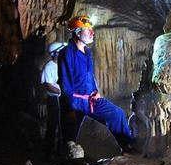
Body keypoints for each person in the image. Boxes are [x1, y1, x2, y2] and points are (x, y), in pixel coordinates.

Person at [57, 15, 136, 151]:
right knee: (69, 138)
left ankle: (128, 147)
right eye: (88, 31)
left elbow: (89, 76)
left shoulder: (87, 52)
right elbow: (66, 82)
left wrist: (96, 90)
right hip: (74, 101)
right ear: (77, 32)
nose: (92, 33)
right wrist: (69, 107)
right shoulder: (67, 53)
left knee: (116, 113)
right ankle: (67, 163)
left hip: (91, 100)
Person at [40, 41, 64, 157]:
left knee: (63, 125)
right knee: (53, 124)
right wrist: (60, 91)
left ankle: (61, 151)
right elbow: (47, 85)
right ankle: (48, 152)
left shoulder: (63, 65)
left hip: (63, 99)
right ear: (55, 54)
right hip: (54, 100)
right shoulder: (49, 66)